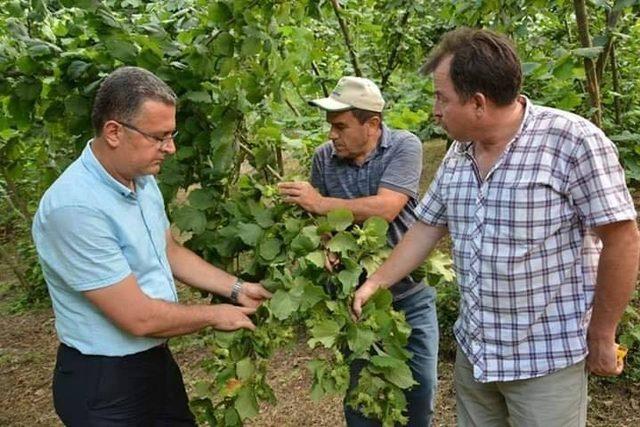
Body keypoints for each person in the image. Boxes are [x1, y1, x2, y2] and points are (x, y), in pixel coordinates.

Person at [354, 28, 640, 426]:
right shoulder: (459, 153)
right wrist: (375, 283)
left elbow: (622, 238)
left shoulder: (572, 142)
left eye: (441, 98)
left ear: (478, 103)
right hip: (477, 357)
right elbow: (426, 228)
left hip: (545, 361)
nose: (434, 110)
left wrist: (602, 332)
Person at [32, 66, 272, 426]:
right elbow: (138, 318)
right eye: (159, 137)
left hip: (153, 364)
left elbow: (169, 250)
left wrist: (237, 289)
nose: (170, 148)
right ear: (114, 132)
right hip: (104, 384)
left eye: (171, 135)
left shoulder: (140, 180)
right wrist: (214, 315)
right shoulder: (75, 208)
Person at [279, 76, 438, 426]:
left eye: (340, 126)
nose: (331, 135)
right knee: (361, 398)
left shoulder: (404, 146)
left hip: (409, 294)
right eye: (330, 127)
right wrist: (325, 247)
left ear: (373, 125)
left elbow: (387, 208)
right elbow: (322, 224)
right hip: (356, 302)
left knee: (419, 390)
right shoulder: (324, 158)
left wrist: (320, 203)